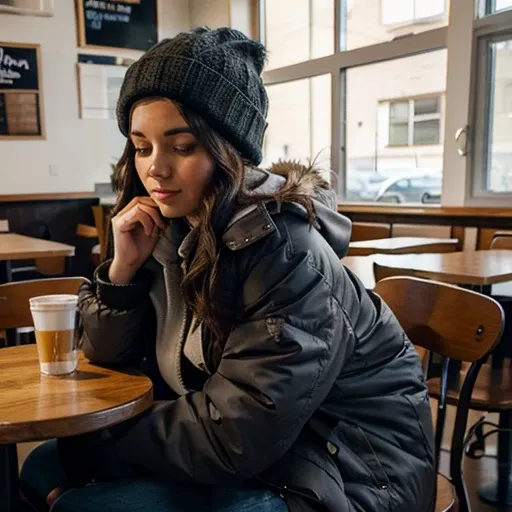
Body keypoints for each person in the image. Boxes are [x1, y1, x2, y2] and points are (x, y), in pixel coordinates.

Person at [20, 27, 435, 512]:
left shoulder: (287, 253)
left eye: (182, 146)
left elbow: (239, 431)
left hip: (346, 473)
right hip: (261, 455)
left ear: (228, 151)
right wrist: (121, 275)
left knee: (85, 502)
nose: (155, 168)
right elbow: (107, 358)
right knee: (43, 466)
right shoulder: (171, 227)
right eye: (142, 145)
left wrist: (103, 436)